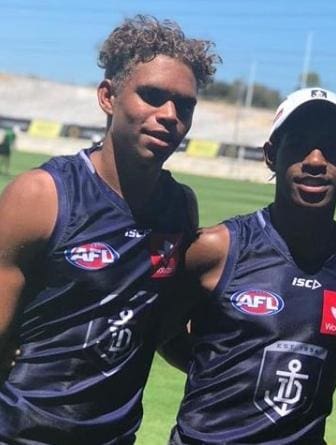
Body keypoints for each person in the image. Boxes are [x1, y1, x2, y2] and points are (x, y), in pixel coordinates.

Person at [0, 15, 218, 444]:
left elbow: (161, 324)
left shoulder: (180, 209)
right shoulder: (41, 196)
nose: (169, 116)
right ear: (108, 96)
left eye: (184, 105)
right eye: (152, 96)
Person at [161, 87, 336, 445]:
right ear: (272, 155)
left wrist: (324, 351)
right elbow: (161, 330)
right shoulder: (217, 250)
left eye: (332, 148)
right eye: (300, 144)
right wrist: (216, 363)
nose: (316, 161)